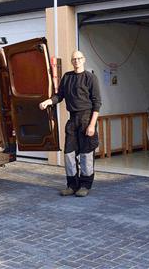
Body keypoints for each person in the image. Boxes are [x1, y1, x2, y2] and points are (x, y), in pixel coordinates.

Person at [39, 51, 101, 197]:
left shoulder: (90, 78)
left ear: (84, 60)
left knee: (86, 155)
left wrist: (92, 125)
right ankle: (72, 185)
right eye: (74, 59)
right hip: (72, 120)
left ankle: (85, 185)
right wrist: (48, 101)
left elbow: (97, 104)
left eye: (79, 58)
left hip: (87, 119)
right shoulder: (67, 77)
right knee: (69, 153)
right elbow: (59, 96)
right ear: (71, 61)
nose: (77, 61)